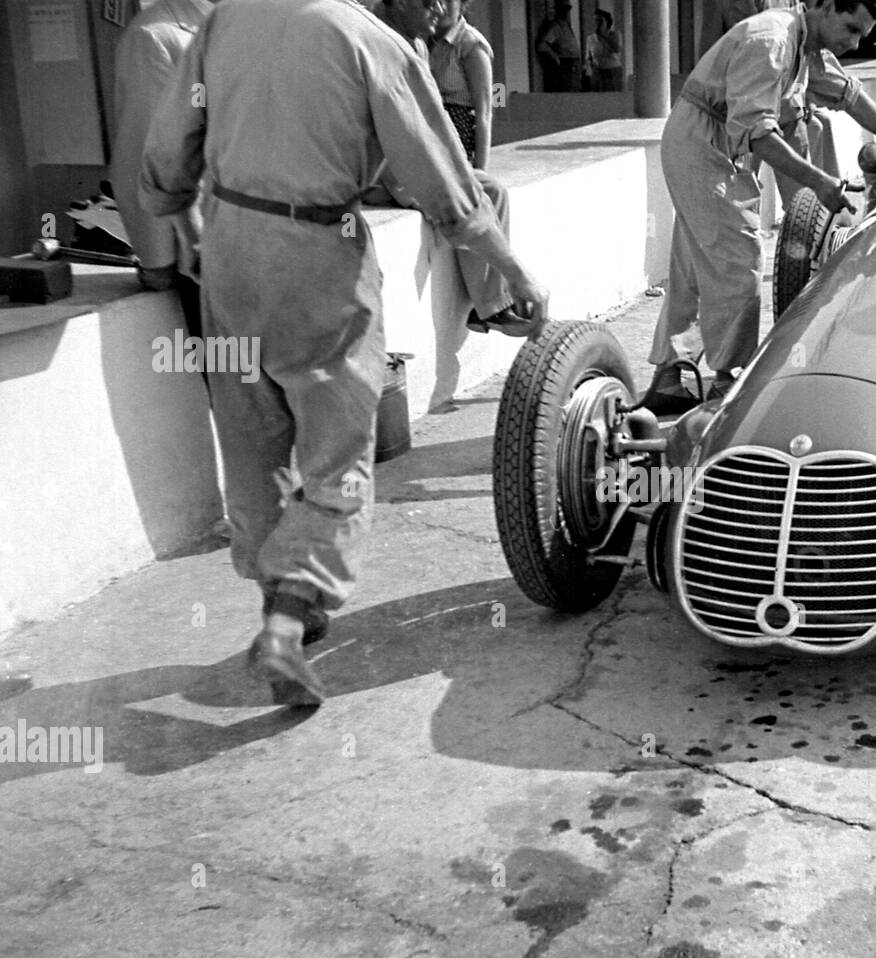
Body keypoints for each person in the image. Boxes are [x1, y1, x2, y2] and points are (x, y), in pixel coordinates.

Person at [141, 0, 548, 705]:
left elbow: (171, 139)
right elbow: (448, 191)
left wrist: (179, 208)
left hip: (231, 253)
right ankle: (286, 623)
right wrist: (513, 271)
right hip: (316, 260)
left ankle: (289, 604)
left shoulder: (225, 20)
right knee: (338, 456)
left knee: (252, 440)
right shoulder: (368, 41)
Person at [642, 0, 876, 415]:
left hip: (712, 142)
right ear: (825, 7)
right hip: (702, 141)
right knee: (738, 261)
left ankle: (671, 377)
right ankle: (727, 386)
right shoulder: (772, 39)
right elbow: (758, 133)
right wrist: (818, 182)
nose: (854, 41)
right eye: (849, 28)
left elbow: (849, 95)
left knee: (694, 263)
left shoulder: (807, 47)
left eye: (862, 34)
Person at [372, 0, 524, 348]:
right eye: (430, 2)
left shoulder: (465, 46)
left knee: (487, 193)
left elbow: (483, 114)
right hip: (401, 165)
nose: (438, 9)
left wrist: (474, 169)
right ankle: (491, 305)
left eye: (445, 2)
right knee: (475, 200)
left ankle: (491, 304)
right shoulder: (391, 41)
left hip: (441, 146)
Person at [109, 0, 214, 335]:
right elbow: (144, 150)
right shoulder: (153, 37)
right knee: (237, 375)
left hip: (274, 244)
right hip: (205, 255)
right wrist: (157, 258)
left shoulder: (252, 25)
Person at [773, 45, 876, 209]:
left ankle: (824, 210)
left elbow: (845, 94)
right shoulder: (784, 44)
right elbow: (851, 98)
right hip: (744, 129)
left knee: (816, 124)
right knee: (743, 203)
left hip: (782, 117)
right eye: (852, 29)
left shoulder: (806, 46)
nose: (856, 44)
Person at [428, 0, 496, 169]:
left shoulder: (471, 45)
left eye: (449, 1)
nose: (442, 6)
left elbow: (484, 114)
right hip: (428, 135)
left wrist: (481, 171)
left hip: (457, 137)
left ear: (461, 4)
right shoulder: (424, 39)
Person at [535, 1, 581, 91]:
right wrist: (555, 56)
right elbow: (542, 45)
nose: (567, 13)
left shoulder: (566, 25)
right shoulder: (556, 26)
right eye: (565, 10)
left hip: (573, 64)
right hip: (565, 64)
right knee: (567, 90)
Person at [585, 9, 624, 92]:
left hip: (612, 71)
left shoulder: (615, 34)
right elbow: (589, 56)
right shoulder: (590, 38)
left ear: (607, 21)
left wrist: (604, 36)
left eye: (600, 20)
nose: (597, 23)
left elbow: (617, 49)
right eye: (595, 20)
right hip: (598, 72)